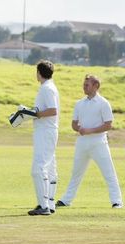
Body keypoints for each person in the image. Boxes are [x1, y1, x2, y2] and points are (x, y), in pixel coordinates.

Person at [56, 74, 123, 209]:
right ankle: (66, 200)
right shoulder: (79, 104)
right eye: (84, 84)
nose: (84, 87)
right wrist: (79, 128)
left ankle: (117, 201)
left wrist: (90, 130)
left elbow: (108, 125)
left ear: (96, 86)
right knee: (76, 173)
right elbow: (74, 124)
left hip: (99, 143)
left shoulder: (103, 103)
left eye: (87, 85)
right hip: (82, 143)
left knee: (109, 173)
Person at [28, 60, 60, 216]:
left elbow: (53, 110)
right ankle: (50, 203)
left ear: (39, 73)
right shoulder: (48, 87)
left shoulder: (47, 88)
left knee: (38, 168)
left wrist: (35, 114)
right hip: (47, 131)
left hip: (45, 131)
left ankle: (44, 205)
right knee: (50, 168)